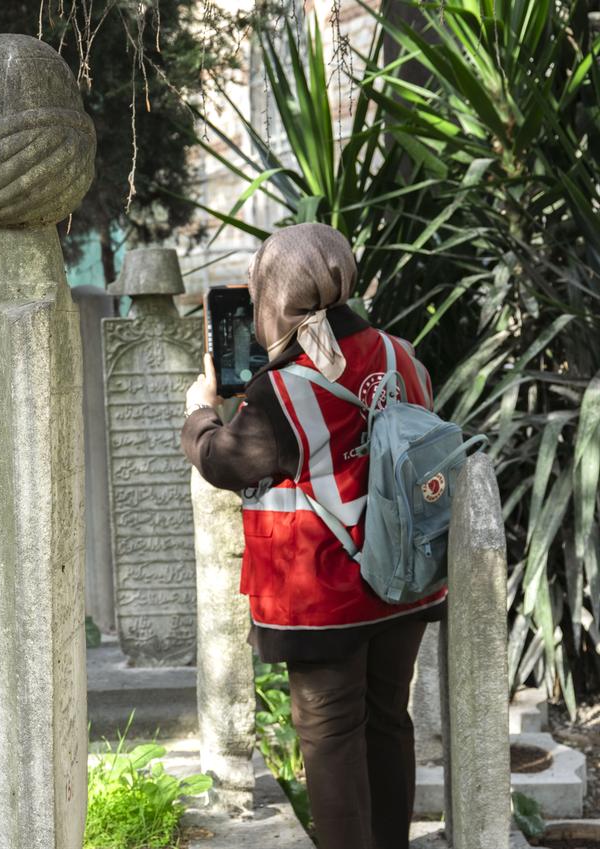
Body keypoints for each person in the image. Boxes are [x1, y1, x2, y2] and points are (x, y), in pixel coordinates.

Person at [181, 223, 445, 849]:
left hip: (325, 596)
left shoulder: (280, 389)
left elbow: (227, 461)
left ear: (274, 297)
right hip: (402, 579)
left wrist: (199, 410)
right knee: (387, 721)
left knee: (329, 738)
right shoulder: (400, 354)